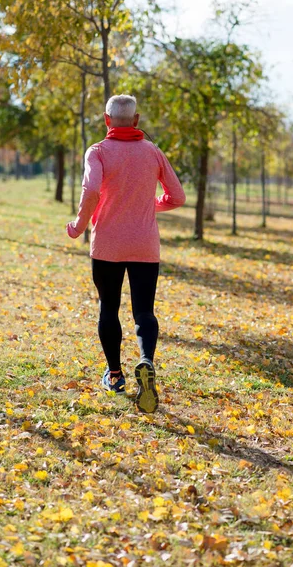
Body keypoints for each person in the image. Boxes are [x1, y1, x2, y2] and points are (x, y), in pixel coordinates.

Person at [66, 94, 186, 413]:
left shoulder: (98, 152)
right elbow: (177, 196)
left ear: (107, 120)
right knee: (144, 311)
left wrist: (78, 225)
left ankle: (115, 375)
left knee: (109, 307)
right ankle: (146, 361)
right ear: (136, 121)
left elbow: (91, 191)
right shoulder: (153, 152)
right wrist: (150, 204)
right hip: (145, 244)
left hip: (107, 243)